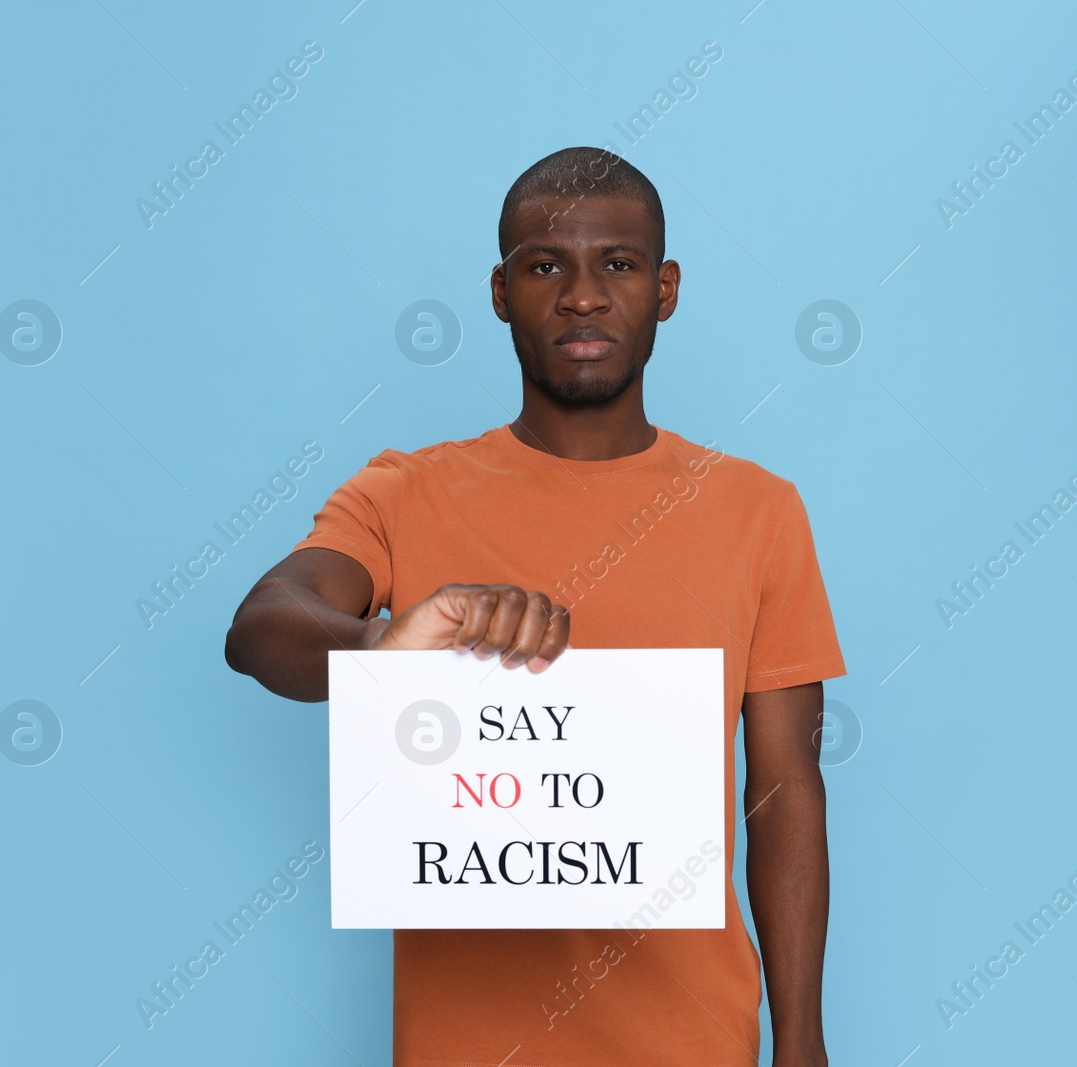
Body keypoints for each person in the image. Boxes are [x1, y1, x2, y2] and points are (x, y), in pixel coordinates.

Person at [225, 146, 846, 1066]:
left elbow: (784, 789)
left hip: (695, 1039)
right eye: (546, 264)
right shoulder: (406, 490)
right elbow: (263, 623)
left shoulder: (760, 509)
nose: (583, 295)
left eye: (619, 265)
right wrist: (383, 649)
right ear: (500, 291)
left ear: (666, 288)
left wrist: (802, 1039)